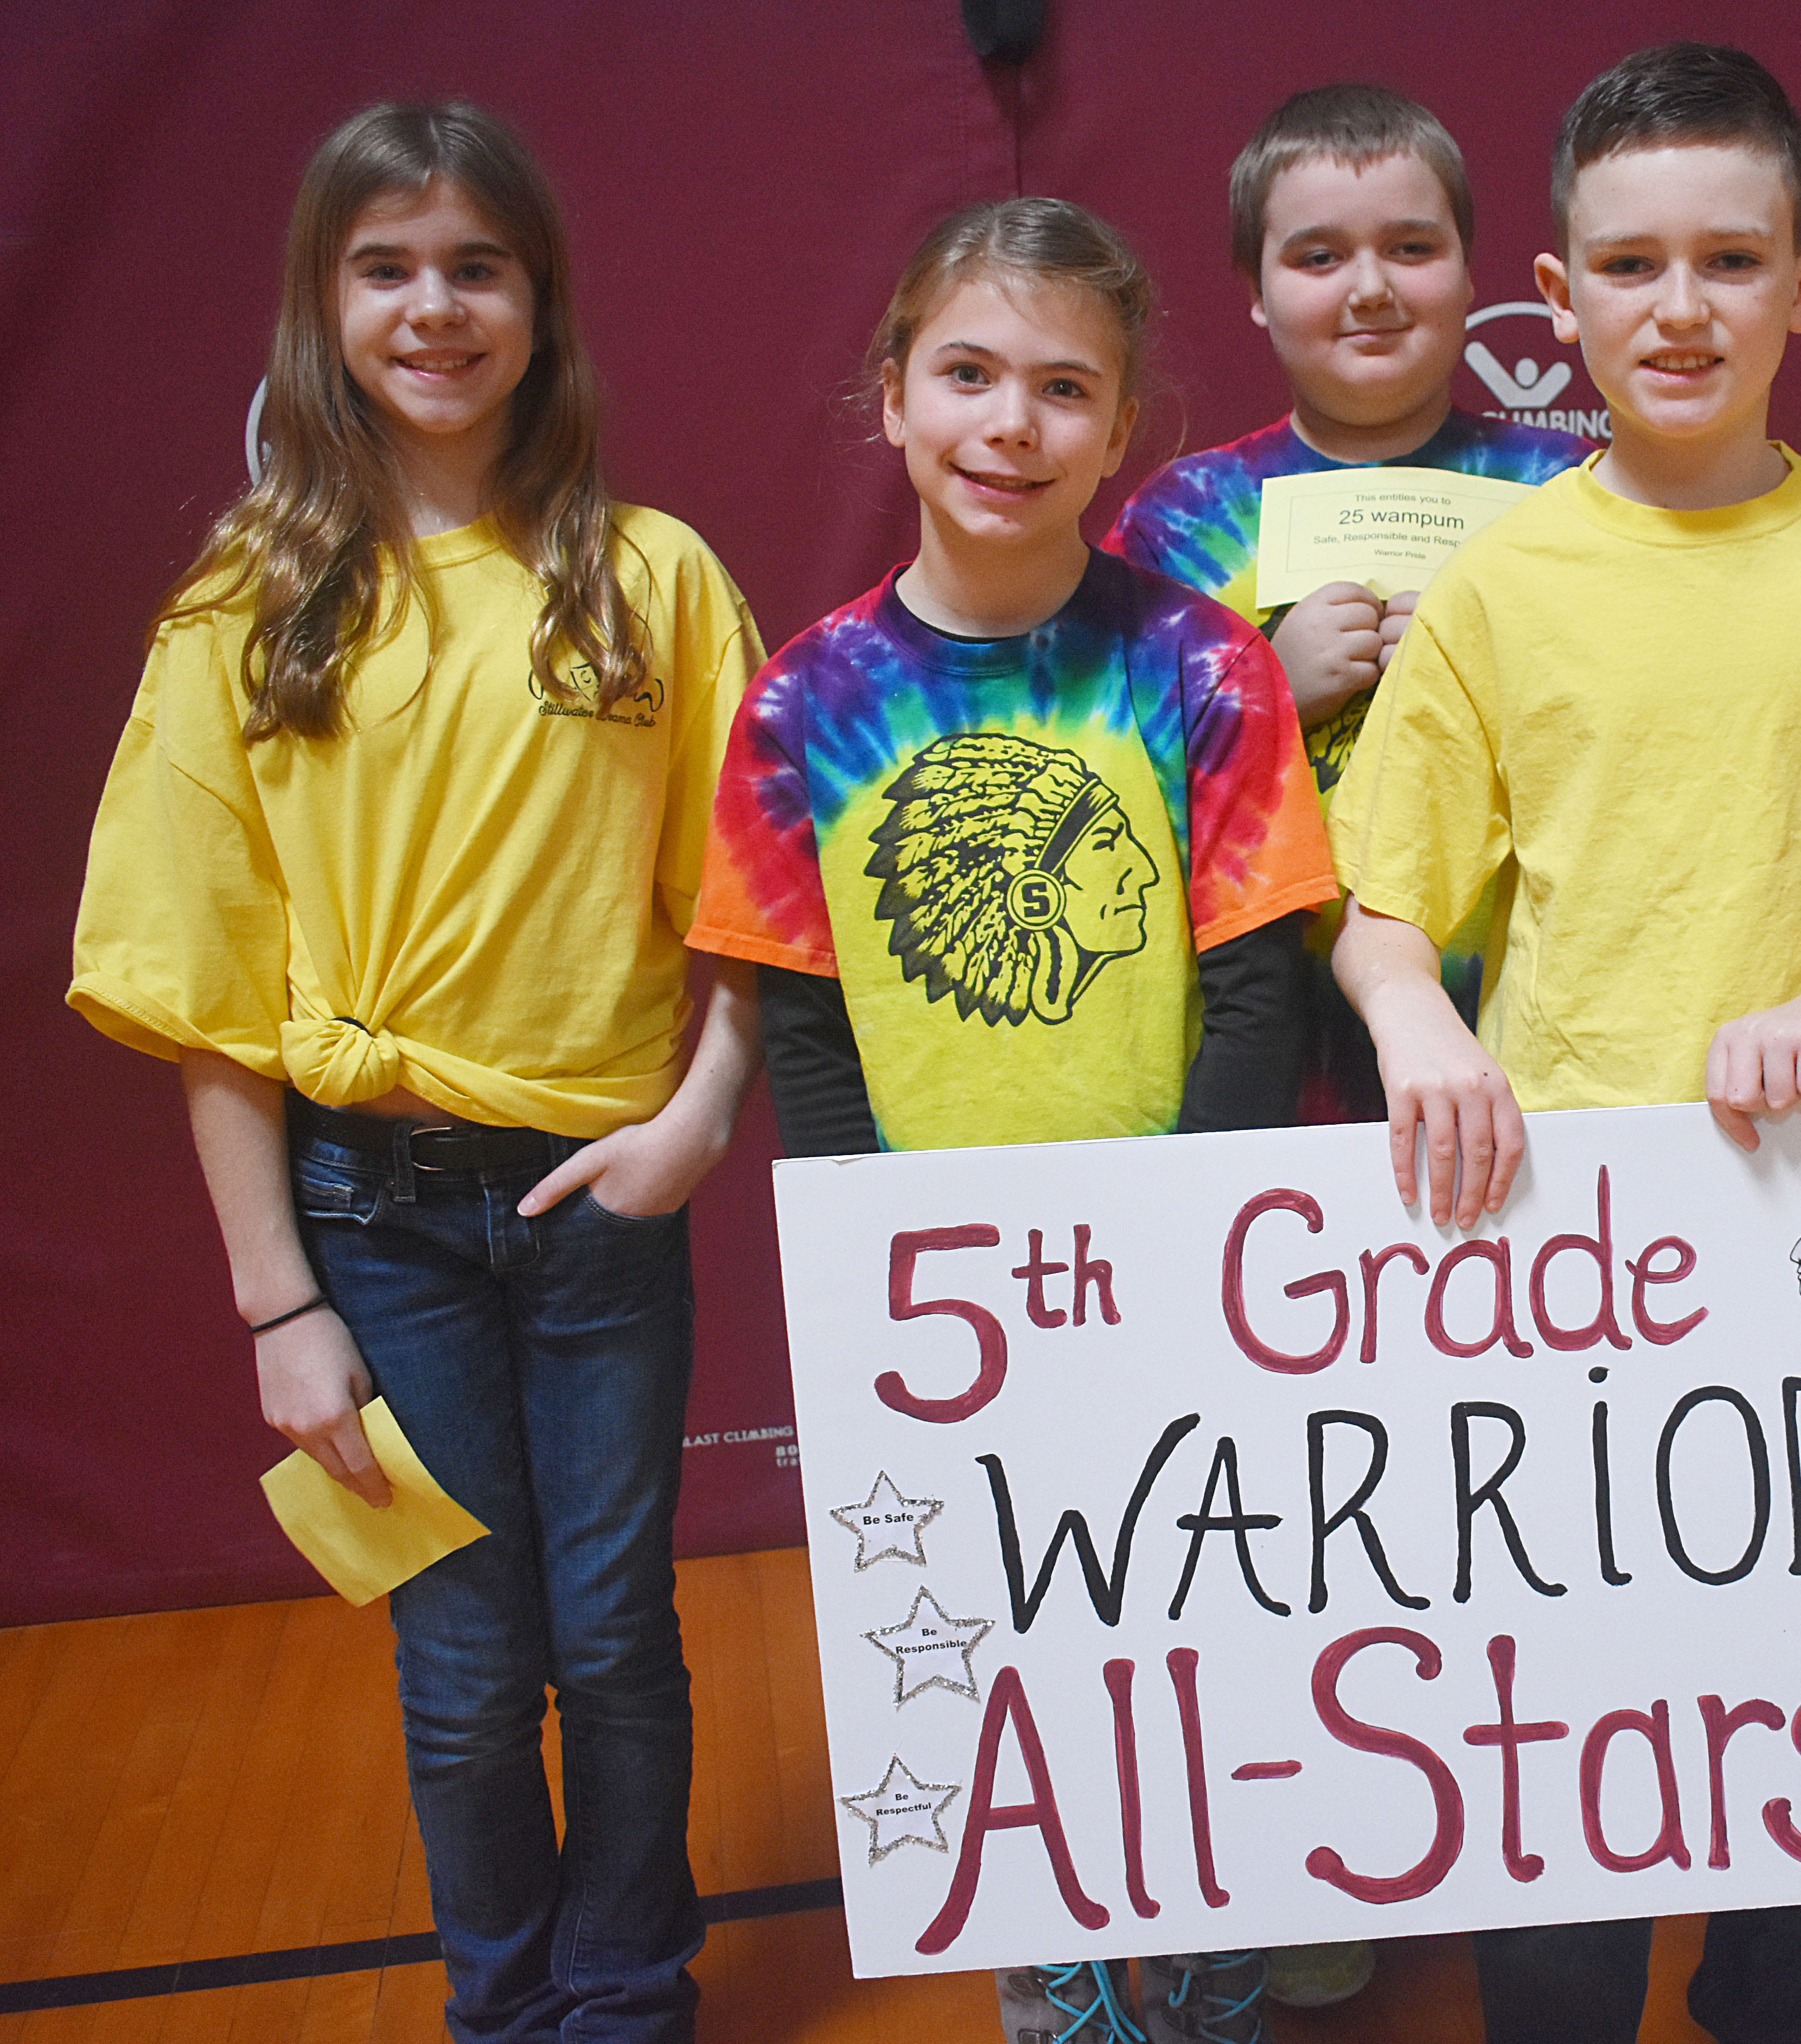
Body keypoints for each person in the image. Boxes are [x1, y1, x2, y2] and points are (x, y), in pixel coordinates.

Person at [1327, 44, 1801, 2044]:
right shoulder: (1500, 583)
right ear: (1552, 303)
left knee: (1797, 1760)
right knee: (1568, 1769)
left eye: (1727, 261)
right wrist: (1413, 1014)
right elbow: (1378, 897)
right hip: (1562, 1249)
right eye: (1628, 266)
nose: (1679, 308)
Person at [68, 103, 765, 2041]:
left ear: (538, 303)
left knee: (616, 1638)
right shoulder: (248, 605)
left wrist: (695, 1121)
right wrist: (277, 1297)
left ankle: (624, 2000)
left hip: (596, 1195)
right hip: (370, 1213)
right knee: (465, 1669)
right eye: (387, 267)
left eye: (476, 266)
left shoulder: (649, 577)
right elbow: (200, 988)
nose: (434, 306)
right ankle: (502, 2008)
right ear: (324, 303)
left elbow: (758, 902)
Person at [684, 196, 1333, 2044]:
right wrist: (882, 1258)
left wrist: (1185, 1244)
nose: (1009, 421)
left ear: (1117, 429)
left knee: (1202, 1615)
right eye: (966, 373)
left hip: (1180, 1264)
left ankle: (1213, 1942)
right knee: (998, 1641)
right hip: (943, 1290)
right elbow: (801, 1025)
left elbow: (1252, 980)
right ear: (890, 397)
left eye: (1063, 387)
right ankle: (1056, 1963)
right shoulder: (808, 698)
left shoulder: (1206, 665)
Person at [1105, 83, 1590, 1125]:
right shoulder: (1185, 519)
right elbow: (1096, 787)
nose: (1369, 287)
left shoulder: (1576, 494)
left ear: (1470, 272)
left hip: (1525, 1052)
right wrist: (1261, 689)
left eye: (1412, 248)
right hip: (1252, 1065)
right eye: (1319, 257)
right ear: (1257, 289)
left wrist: (1492, 679)